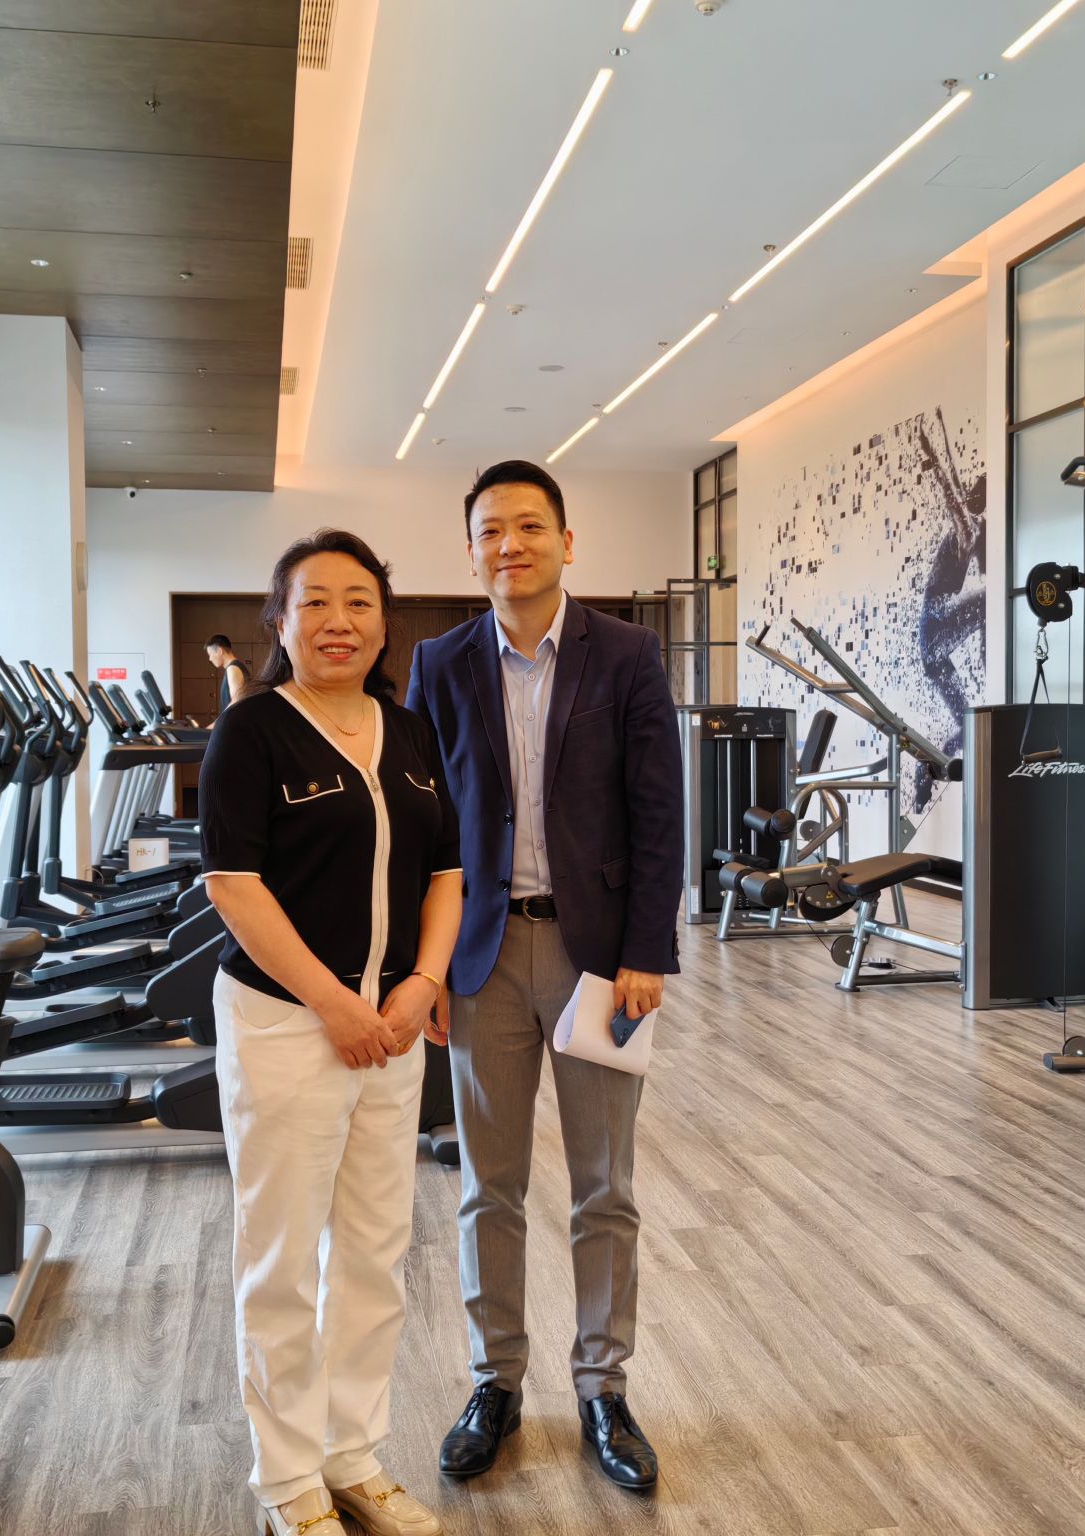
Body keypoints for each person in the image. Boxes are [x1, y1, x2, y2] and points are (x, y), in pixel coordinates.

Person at [404, 460, 684, 1492]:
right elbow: (421, 825)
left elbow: (659, 811)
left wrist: (645, 948)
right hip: (479, 956)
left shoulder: (626, 654)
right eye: (490, 530)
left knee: (605, 1185)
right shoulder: (439, 663)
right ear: (470, 551)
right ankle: (497, 1383)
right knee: (491, 1185)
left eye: (529, 527)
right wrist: (424, 967)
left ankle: (603, 1389)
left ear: (567, 543)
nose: (509, 545)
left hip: (595, 957)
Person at [198, 531, 462, 1536]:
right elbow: (234, 886)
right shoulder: (253, 731)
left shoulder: (410, 732)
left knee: (372, 1253)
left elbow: (446, 873)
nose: (337, 621)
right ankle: (286, 1480)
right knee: (278, 1257)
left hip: (391, 1027)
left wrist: (421, 983)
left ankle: (353, 1455)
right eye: (313, 602)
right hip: (287, 1024)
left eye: (358, 602)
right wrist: (332, 1004)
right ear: (280, 621)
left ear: (385, 624)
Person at [207, 632, 251, 712]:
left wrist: (220, 719)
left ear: (219, 651)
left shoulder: (233, 668)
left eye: (210, 654)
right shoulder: (233, 668)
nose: (210, 659)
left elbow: (236, 703)